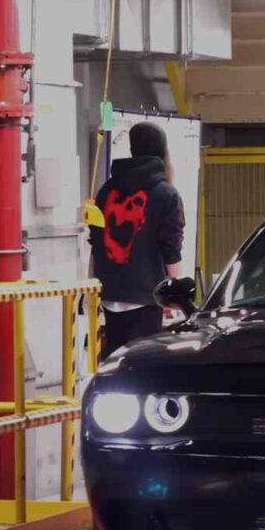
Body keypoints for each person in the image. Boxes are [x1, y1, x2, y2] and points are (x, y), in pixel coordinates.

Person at [89, 121, 186, 355]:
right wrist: (178, 293)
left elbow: (96, 239)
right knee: (142, 363)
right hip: (146, 296)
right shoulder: (166, 193)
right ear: (162, 149)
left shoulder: (106, 190)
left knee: (114, 361)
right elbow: (171, 248)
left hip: (109, 293)